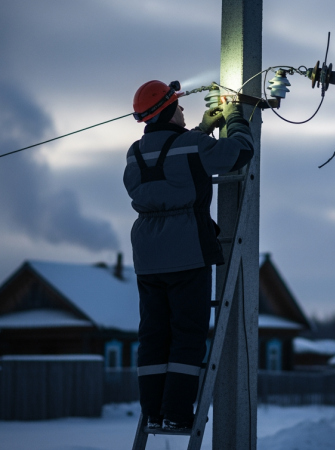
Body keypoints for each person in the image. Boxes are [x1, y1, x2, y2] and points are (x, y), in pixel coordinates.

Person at [124, 80, 254, 432]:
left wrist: (201, 130)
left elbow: (171, 161)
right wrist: (235, 117)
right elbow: (241, 152)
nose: (184, 110)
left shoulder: (135, 154)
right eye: (179, 106)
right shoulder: (192, 146)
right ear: (167, 109)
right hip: (186, 251)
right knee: (187, 334)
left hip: (147, 258)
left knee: (153, 335)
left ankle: (153, 411)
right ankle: (177, 413)